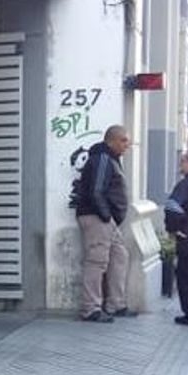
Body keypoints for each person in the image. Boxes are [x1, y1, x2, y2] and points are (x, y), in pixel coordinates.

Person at [75, 125, 134, 323]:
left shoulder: (111, 159)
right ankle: (90, 309)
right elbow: (96, 191)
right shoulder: (102, 158)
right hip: (97, 217)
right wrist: (106, 216)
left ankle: (115, 304)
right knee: (96, 261)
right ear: (112, 140)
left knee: (120, 256)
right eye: (124, 140)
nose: (127, 145)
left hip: (107, 220)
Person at [164, 149, 188, 325]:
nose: (180, 164)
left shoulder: (185, 185)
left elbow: (172, 206)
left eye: (183, 161)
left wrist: (174, 228)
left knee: (187, 277)